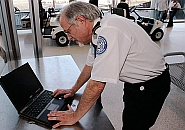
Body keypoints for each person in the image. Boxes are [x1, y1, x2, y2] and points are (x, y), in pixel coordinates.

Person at [47, 2, 171, 130]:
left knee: (134, 126)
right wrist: (73, 89)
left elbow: (97, 85)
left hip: (150, 86)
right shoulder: (98, 29)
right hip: (135, 83)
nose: (69, 37)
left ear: (81, 20)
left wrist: (75, 116)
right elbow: (90, 65)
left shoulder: (109, 31)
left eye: (68, 31)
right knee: (129, 120)